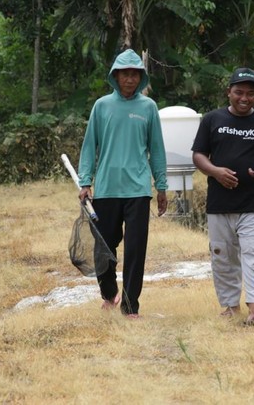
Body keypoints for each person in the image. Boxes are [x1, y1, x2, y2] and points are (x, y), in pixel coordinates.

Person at [77, 48, 168, 319]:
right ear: (115, 76)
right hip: (106, 188)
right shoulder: (102, 106)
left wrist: (161, 186)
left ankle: (130, 306)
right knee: (104, 246)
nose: (129, 79)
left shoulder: (148, 107)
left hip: (138, 189)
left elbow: (157, 149)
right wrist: (85, 181)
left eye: (134, 74)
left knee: (136, 248)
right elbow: (89, 146)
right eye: (124, 74)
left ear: (141, 77)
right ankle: (108, 294)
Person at [191, 67, 254, 326]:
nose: (245, 98)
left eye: (251, 94)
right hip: (219, 204)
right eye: (239, 92)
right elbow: (198, 154)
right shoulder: (212, 119)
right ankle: (231, 307)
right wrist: (215, 172)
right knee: (223, 255)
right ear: (229, 93)